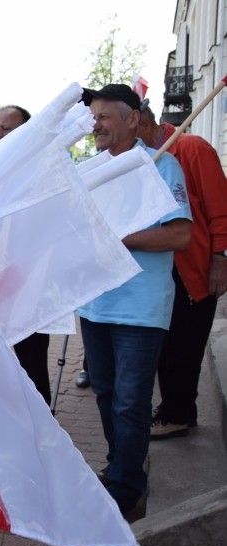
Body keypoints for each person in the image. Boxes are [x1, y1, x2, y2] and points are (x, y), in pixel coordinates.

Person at [77, 84, 191, 520]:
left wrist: (121, 238)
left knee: (131, 400)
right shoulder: (88, 170)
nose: (96, 124)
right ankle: (119, 466)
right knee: (107, 394)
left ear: (132, 119)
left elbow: (180, 234)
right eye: (94, 117)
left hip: (139, 309)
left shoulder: (161, 167)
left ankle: (127, 487)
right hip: (94, 305)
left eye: (106, 116)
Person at [137, 100, 227, 439]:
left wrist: (221, 257)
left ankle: (178, 414)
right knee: (165, 344)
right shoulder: (141, 157)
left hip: (192, 268)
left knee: (183, 346)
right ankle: (173, 409)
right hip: (161, 270)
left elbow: (221, 208)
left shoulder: (191, 148)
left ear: (141, 122)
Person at [0, 105, 51, 404]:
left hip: (27, 289)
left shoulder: (40, 175)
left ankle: (43, 436)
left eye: (7, 129)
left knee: (32, 367)